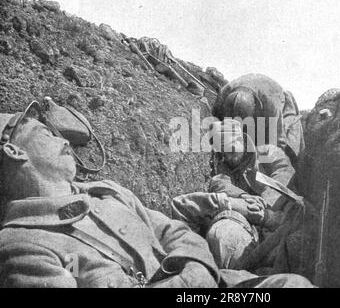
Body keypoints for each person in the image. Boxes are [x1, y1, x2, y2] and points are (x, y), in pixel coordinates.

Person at [0, 102, 313, 288]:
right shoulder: (22, 247)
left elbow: (172, 230)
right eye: (44, 134)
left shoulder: (107, 192)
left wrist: (197, 269)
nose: (64, 141)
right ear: (14, 152)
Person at [171, 120, 312, 275]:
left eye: (231, 150)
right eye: (224, 153)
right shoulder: (226, 164)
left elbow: (284, 174)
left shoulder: (268, 153)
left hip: (279, 220)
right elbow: (219, 182)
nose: (229, 158)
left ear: (242, 142)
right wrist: (244, 197)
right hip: (247, 223)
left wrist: (264, 204)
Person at [212, 74, 305, 162]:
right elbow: (215, 123)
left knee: (290, 148)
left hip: (280, 102)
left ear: (255, 108)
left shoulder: (271, 105)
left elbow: (278, 142)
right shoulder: (224, 94)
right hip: (256, 98)